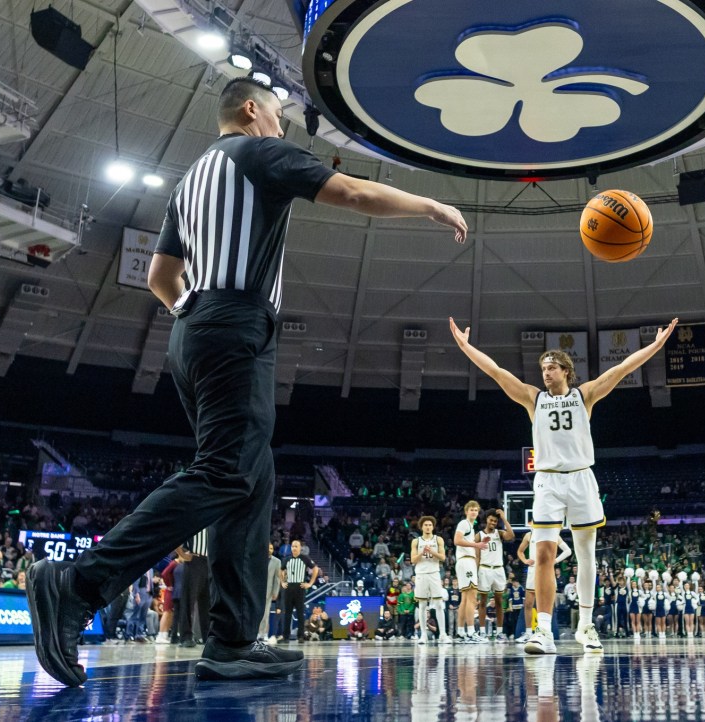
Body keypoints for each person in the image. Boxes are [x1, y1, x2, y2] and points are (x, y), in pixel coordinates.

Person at [25, 76, 467, 686]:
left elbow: (160, 276)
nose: (284, 125)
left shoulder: (190, 179)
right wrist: (430, 205)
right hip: (235, 325)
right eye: (280, 113)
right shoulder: (259, 153)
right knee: (226, 472)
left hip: (196, 326)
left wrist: (195, 315)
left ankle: (232, 642)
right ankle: (78, 584)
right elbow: (355, 195)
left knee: (250, 483)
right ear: (253, 110)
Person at [450, 316, 677, 654]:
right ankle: (543, 631)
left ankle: (585, 626)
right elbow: (497, 373)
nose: (546, 372)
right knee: (543, 553)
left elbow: (622, 369)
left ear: (567, 372)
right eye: (543, 367)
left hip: (582, 477)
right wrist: (467, 347)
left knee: (586, 555)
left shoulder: (585, 395)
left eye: (552, 366)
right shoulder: (533, 399)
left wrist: (655, 346)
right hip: (548, 482)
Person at [515, 528, 571, 642]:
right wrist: (525, 560)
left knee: (547, 604)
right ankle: (528, 633)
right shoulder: (529, 535)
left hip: (547, 570)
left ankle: (546, 632)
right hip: (532, 570)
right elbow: (520, 551)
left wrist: (554, 561)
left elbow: (567, 551)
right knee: (528, 604)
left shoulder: (552, 533)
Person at [411, 516, 450, 644]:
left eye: (430, 525)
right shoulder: (416, 541)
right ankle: (423, 635)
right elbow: (413, 560)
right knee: (422, 605)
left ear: (433, 527)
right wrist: (422, 552)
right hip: (421, 573)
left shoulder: (438, 539)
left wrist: (432, 551)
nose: (428, 527)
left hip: (434, 573)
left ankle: (443, 634)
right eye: (425, 525)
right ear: (421, 527)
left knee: (438, 604)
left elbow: (443, 557)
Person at [476, 508, 515, 641]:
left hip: (498, 569)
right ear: (486, 520)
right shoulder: (479, 535)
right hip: (484, 569)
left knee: (499, 601)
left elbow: (511, 536)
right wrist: (476, 572)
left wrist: (504, 518)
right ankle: (482, 632)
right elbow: (477, 556)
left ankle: (499, 632)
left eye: (495, 521)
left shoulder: (499, 533)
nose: (493, 522)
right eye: (491, 520)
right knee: (482, 602)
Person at [453, 501, 487, 642]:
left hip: (466, 561)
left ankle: (461, 632)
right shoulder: (464, 524)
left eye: (476, 510)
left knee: (465, 599)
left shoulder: (470, 527)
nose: (474, 512)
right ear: (466, 511)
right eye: (471, 510)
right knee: (472, 597)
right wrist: (476, 544)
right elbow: (456, 540)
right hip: (466, 561)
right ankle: (471, 632)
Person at [281, 540, 319, 643]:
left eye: (296, 546)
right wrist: (282, 582)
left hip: (300, 588)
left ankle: (300, 636)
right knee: (287, 613)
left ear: (299, 548)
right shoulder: (287, 559)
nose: (294, 548)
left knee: (300, 613)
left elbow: (315, 569)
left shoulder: (304, 558)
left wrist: (310, 583)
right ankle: (286, 637)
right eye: (292, 546)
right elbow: (281, 570)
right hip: (289, 587)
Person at [259, 543, 282, 643]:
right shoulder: (257, 559)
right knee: (256, 613)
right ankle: (255, 633)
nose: (270, 549)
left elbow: (277, 578)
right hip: (256, 591)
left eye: (271, 548)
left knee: (265, 614)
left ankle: (263, 634)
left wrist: (275, 592)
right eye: (268, 548)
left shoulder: (277, 561)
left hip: (268, 592)